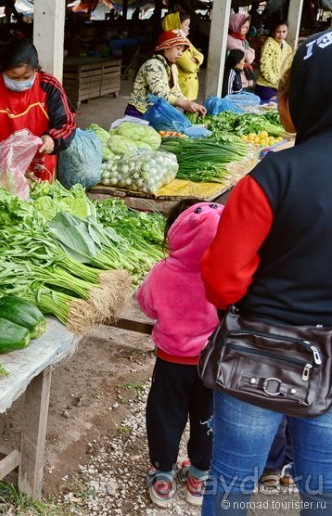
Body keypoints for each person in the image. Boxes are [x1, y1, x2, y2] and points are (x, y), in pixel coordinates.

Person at [200, 30, 332, 515]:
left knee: (232, 483)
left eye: (286, 91)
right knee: (325, 490)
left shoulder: (274, 175)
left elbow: (221, 280)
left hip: (259, 356)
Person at [137, 199, 223, 509]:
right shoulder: (222, 272)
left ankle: (162, 476)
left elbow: (146, 304)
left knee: (165, 415)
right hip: (211, 364)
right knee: (208, 418)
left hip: (172, 360)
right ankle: (198, 476)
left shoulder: (163, 271)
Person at [0, 39, 77, 182]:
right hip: (0, 174)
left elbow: (67, 123)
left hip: (42, 170)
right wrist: (5, 165)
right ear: (3, 70)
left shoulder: (49, 86)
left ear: (36, 69)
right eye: (13, 77)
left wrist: (52, 139)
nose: (20, 82)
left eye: (26, 77)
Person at [126, 30, 207, 117]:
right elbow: (159, 94)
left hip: (155, 113)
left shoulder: (173, 67)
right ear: (166, 48)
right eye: (178, 48)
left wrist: (191, 104)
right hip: (139, 113)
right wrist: (182, 103)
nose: (181, 53)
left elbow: (176, 91)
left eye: (182, 50)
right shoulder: (153, 64)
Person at [161, 13, 204, 101]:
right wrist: (196, 63)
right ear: (177, 26)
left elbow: (200, 55)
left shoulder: (185, 40)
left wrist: (195, 59)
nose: (189, 28)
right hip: (181, 87)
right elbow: (190, 67)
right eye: (186, 25)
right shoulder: (173, 44)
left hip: (189, 88)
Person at [255, 21, 292, 103]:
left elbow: (288, 65)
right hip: (265, 86)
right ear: (273, 32)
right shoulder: (269, 44)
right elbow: (264, 66)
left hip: (279, 87)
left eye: (284, 32)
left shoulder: (287, 47)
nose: (281, 34)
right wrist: (276, 81)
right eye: (278, 32)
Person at [226, 12, 257, 90]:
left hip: (244, 78)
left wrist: (249, 52)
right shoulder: (229, 40)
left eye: (247, 27)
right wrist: (250, 51)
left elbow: (249, 57)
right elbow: (248, 57)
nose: (245, 30)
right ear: (235, 26)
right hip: (234, 77)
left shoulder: (243, 39)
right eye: (243, 27)